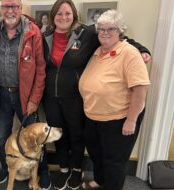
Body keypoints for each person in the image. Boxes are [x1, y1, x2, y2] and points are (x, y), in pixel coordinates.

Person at [42, 0, 151, 189]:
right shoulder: (45, 36)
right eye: (59, 14)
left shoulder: (86, 34)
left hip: (79, 100)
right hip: (56, 98)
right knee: (63, 136)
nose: (63, 17)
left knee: (80, 137)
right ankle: (64, 169)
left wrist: (142, 49)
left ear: (74, 16)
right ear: (53, 17)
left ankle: (77, 170)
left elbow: (121, 39)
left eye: (67, 13)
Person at [0, 0, 50, 188]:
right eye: (6, 6)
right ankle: (5, 167)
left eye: (14, 6)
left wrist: (34, 99)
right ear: (1, 9)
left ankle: (43, 172)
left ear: (20, 8)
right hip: (0, 93)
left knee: (36, 138)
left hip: (25, 96)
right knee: (2, 137)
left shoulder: (33, 32)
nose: (10, 10)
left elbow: (41, 69)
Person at [78, 10, 150, 190]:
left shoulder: (129, 53)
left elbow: (140, 89)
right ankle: (101, 181)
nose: (104, 32)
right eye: (101, 29)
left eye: (110, 29)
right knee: (97, 155)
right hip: (94, 117)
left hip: (118, 119)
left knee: (114, 163)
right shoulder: (97, 51)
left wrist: (131, 120)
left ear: (120, 31)